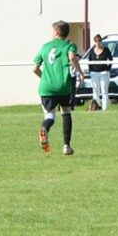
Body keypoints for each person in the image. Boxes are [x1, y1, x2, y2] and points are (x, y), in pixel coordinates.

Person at [33, 20, 82, 156]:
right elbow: (72, 57)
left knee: (50, 115)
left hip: (46, 88)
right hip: (63, 87)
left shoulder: (45, 47)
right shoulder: (69, 46)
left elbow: (35, 68)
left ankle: (45, 128)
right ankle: (66, 146)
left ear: (55, 32)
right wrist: (80, 72)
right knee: (66, 112)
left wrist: (45, 78)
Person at [81, 34, 113, 111]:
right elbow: (90, 62)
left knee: (104, 91)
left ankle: (105, 108)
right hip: (94, 73)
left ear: (101, 41)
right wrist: (91, 70)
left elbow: (111, 60)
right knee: (95, 91)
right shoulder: (92, 51)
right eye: (96, 41)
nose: (98, 42)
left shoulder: (106, 50)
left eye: (99, 40)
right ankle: (96, 107)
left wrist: (107, 68)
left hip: (104, 73)